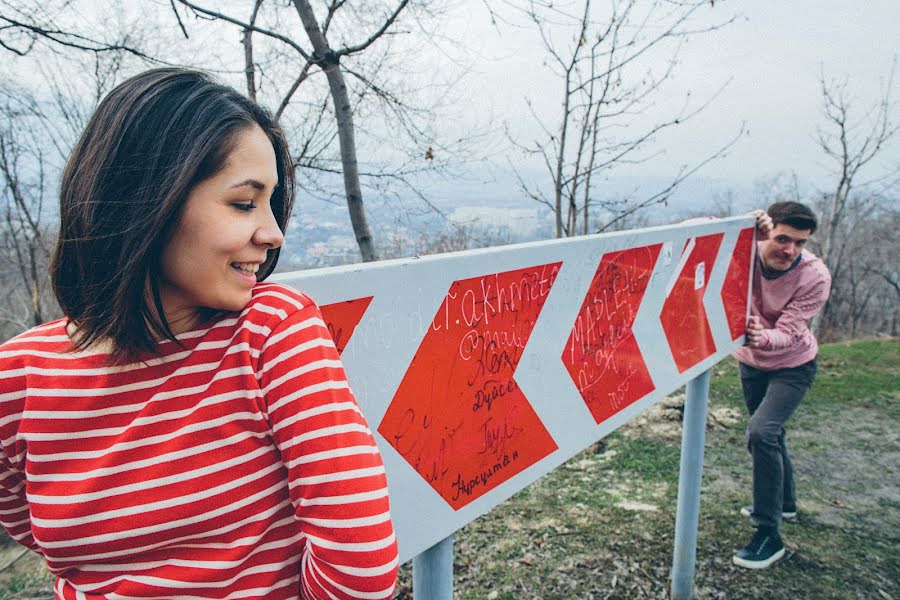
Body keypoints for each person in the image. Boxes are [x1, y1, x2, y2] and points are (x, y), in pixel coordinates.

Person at [0, 68, 399, 599]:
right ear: (146, 200)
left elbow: (360, 563)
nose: (273, 233)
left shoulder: (268, 331)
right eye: (243, 203)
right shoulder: (18, 376)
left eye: (271, 203)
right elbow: (27, 528)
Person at [732, 201, 831, 569]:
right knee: (772, 435)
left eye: (800, 243)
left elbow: (789, 332)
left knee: (762, 433)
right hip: (750, 363)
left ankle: (768, 533)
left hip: (793, 364)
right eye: (782, 238)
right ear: (767, 232)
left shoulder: (815, 275)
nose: (789, 250)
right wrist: (745, 222)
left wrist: (763, 337)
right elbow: (695, 230)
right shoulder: (744, 245)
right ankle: (785, 503)